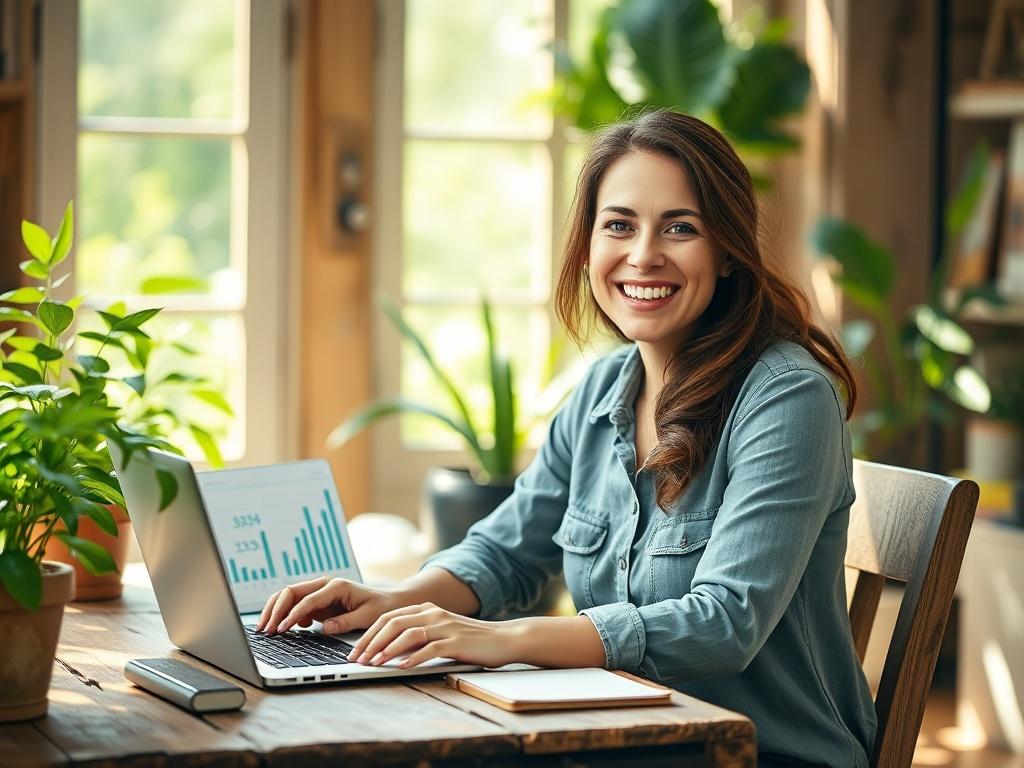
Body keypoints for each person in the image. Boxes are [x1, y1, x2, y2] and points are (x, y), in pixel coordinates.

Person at [257, 110, 877, 767]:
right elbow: (508, 553)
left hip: (760, 754)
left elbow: (725, 623)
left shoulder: (786, 398)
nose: (643, 254)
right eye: (619, 225)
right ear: (587, 246)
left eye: (681, 228)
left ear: (727, 251)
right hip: (615, 735)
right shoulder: (605, 387)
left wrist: (503, 640)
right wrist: (395, 601)